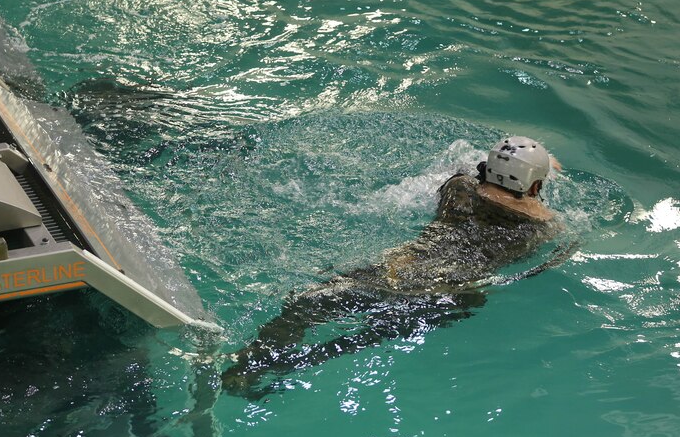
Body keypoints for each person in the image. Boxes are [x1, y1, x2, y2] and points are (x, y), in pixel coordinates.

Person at [221, 136, 570, 400]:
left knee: (304, 305)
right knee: (360, 338)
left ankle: (246, 366)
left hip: (397, 271)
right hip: (451, 294)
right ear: (535, 185)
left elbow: (475, 171)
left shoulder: (459, 189)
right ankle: (287, 368)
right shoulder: (543, 227)